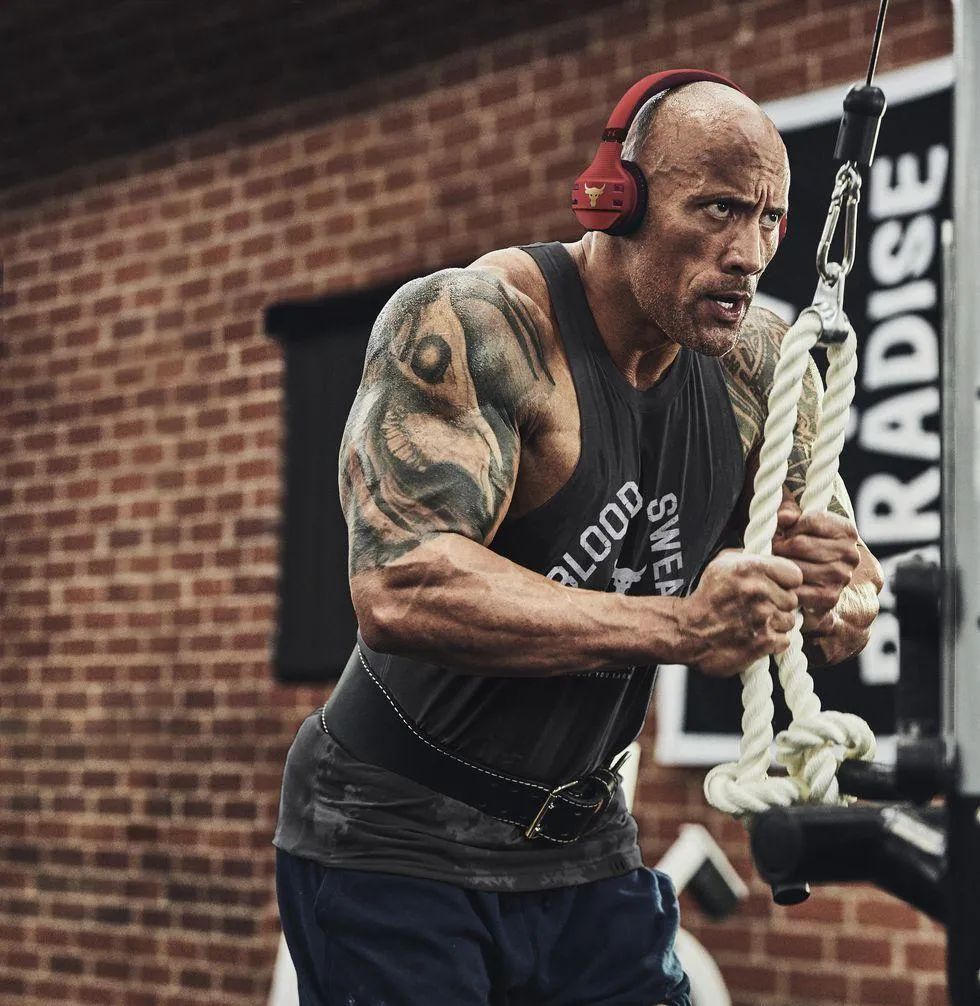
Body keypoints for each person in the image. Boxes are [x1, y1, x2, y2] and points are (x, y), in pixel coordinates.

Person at [274, 73, 884, 1006]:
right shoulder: (478, 322)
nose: (748, 252)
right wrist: (680, 628)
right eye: (718, 209)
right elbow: (402, 584)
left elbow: (850, 599)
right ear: (617, 198)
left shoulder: (761, 359)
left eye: (769, 220)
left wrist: (829, 592)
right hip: (393, 838)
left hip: (585, 844)